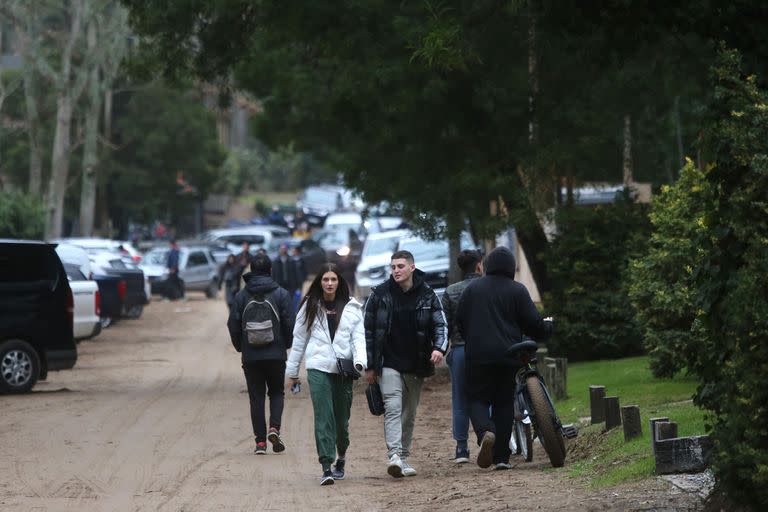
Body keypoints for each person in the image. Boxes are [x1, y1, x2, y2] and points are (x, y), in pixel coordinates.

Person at [456, 246, 553, 470]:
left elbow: (460, 321)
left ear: (487, 266)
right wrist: (548, 326)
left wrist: (472, 337)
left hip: (477, 355)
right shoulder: (517, 290)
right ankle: (501, 457)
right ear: (510, 267)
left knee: (477, 399)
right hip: (508, 354)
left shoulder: (472, 289)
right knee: (503, 402)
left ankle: (485, 433)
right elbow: (533, 324)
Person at [364, 249, 447, 478]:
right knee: (392, 407)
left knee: (409, 412)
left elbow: (440, 324)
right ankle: (394, 456)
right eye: (393, 267)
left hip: (416, 362)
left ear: (412, 267)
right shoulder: (379, 294)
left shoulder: (428, 294)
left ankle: (404, 456)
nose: (396, 271)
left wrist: (439, 348)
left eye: (400, 266)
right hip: (388, 361)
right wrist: (370, 365)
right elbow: (368, 331)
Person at [286, 263, 367, 486]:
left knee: (341, 421)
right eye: (325, 280)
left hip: (344, 369)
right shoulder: (309, 306)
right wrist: (293, 371)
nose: (329, 283)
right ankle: (326, 466)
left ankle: (341, 456)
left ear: (339, 282)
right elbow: (299, 339)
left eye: (333, 279)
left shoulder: (352, 308)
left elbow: (358, 339)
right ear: (319, 282)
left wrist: (360, 362)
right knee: (324, 417)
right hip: (318, 367)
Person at [227, 254, 296, 455]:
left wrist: (241, 346)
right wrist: (285, 344)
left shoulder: (241, 296)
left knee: (256, 398)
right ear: (270, 271)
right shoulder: (281, 294)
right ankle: (274, 428)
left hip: (251, 356)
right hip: (276, 353)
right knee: (276, 392)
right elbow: (290, 323)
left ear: (251, 270)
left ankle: (260, 443)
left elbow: (232, 323)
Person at [440, 249, 484, 464]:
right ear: (479, 265)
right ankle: (488, 435)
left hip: (459, 348)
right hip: (485, 348)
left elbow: (446, 324)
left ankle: (461, 448)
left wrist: (443, 349)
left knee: (459, 398)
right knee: (489, 393)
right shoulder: (487, 286)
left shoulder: (450, 291)